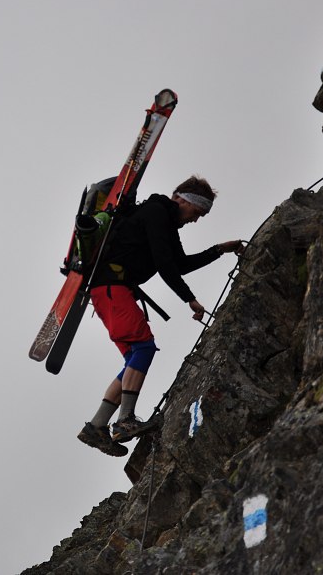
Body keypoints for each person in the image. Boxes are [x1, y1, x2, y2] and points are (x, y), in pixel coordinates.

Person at [77, 175, 245, 456]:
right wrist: (189, 299)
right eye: (197, 212)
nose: (196, 219)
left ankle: (96, 427)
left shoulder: (165, 223)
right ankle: (124, 422)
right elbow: (165, 264)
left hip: (111, 291)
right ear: (183, 200)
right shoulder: (156, 213)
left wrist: (219, 250)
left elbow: (179, 264)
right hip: (111, 287)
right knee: (143, 347)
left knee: (136, 355)